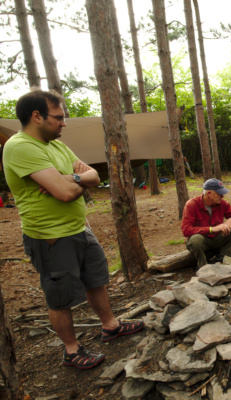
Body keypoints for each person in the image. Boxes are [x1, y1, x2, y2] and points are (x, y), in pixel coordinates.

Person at [2, 90, 144, 370]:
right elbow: (67, 194)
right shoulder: (20, 146)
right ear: (36, 116)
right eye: (59, 117)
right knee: (59, 295)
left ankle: (111, 326)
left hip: (79, 228)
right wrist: (74, 182)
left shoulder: (56, 145)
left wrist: (71, 177)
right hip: (50, 236)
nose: (64, 123)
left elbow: (92, 175)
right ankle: (71, 350)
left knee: (96, 279)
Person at [182, 178, 231, 268]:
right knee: (196, 240)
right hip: (202, 241)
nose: (222, 196)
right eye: (219, 194)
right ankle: (202, 266)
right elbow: (186, 230)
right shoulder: (191, 204)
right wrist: (211, 229)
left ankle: (224, 256)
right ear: (209, 194)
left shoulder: (221, 203)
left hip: (217, 238)